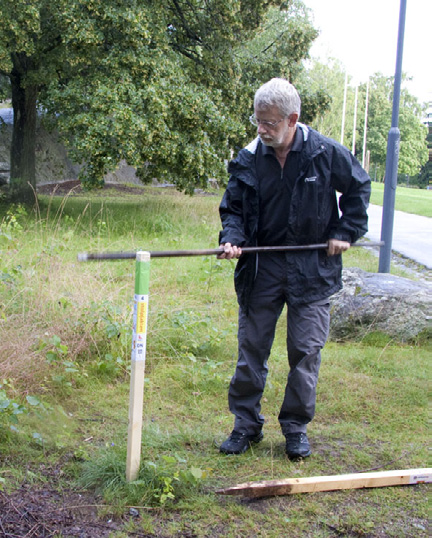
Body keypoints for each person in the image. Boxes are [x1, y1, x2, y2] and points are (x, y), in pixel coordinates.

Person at [217, 78, 371, 459]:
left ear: (292, 119)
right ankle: (246, 426)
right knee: (251, 348)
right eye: (258, 121)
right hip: (261, 266)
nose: (262, 130)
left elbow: (358, 189)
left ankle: (296, 428)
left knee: (305, 351)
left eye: (269, 123)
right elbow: (233, 208)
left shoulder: (324, 153)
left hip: (313, 267)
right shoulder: (249, 157)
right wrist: (233, 238)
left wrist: (344, 231)